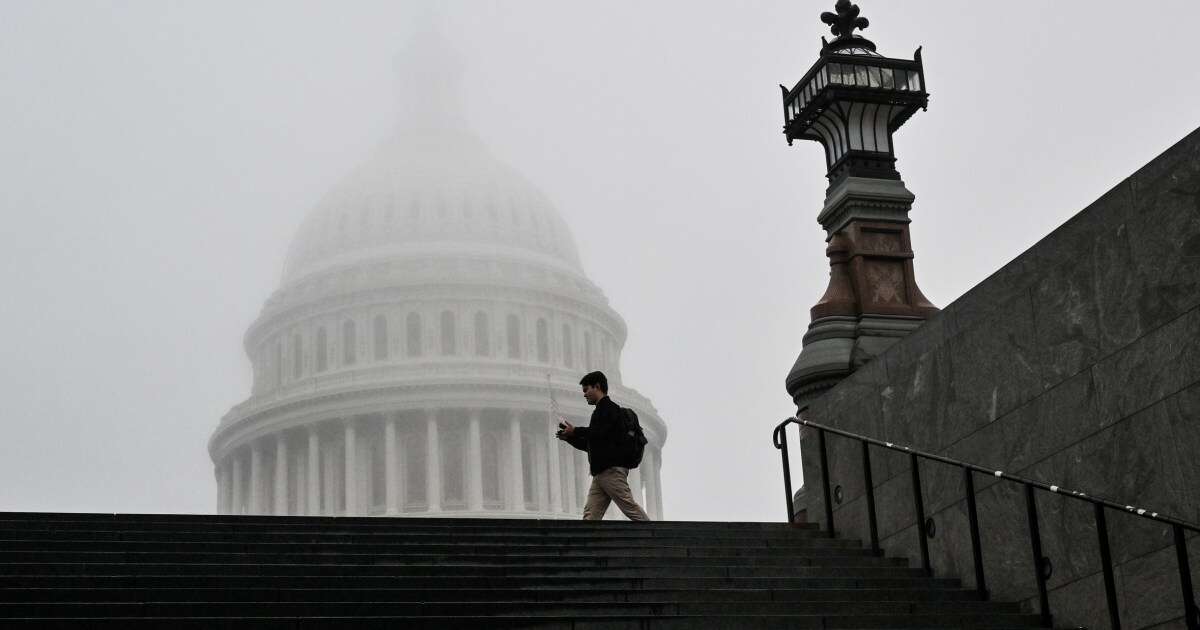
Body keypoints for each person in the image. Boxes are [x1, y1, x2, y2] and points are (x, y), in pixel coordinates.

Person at [556, 371, 650, 521]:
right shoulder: (601, 411)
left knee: (630, 508)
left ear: (597, 386)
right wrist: (570, 438)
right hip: (601, 473)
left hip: (611, 471)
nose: (584, 394)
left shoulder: (609, 409)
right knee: (590, 515)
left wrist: (575, 430)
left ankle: (653, 537)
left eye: (586, 389)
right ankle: (586, 544)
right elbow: (593, 444)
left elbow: (598, 433)